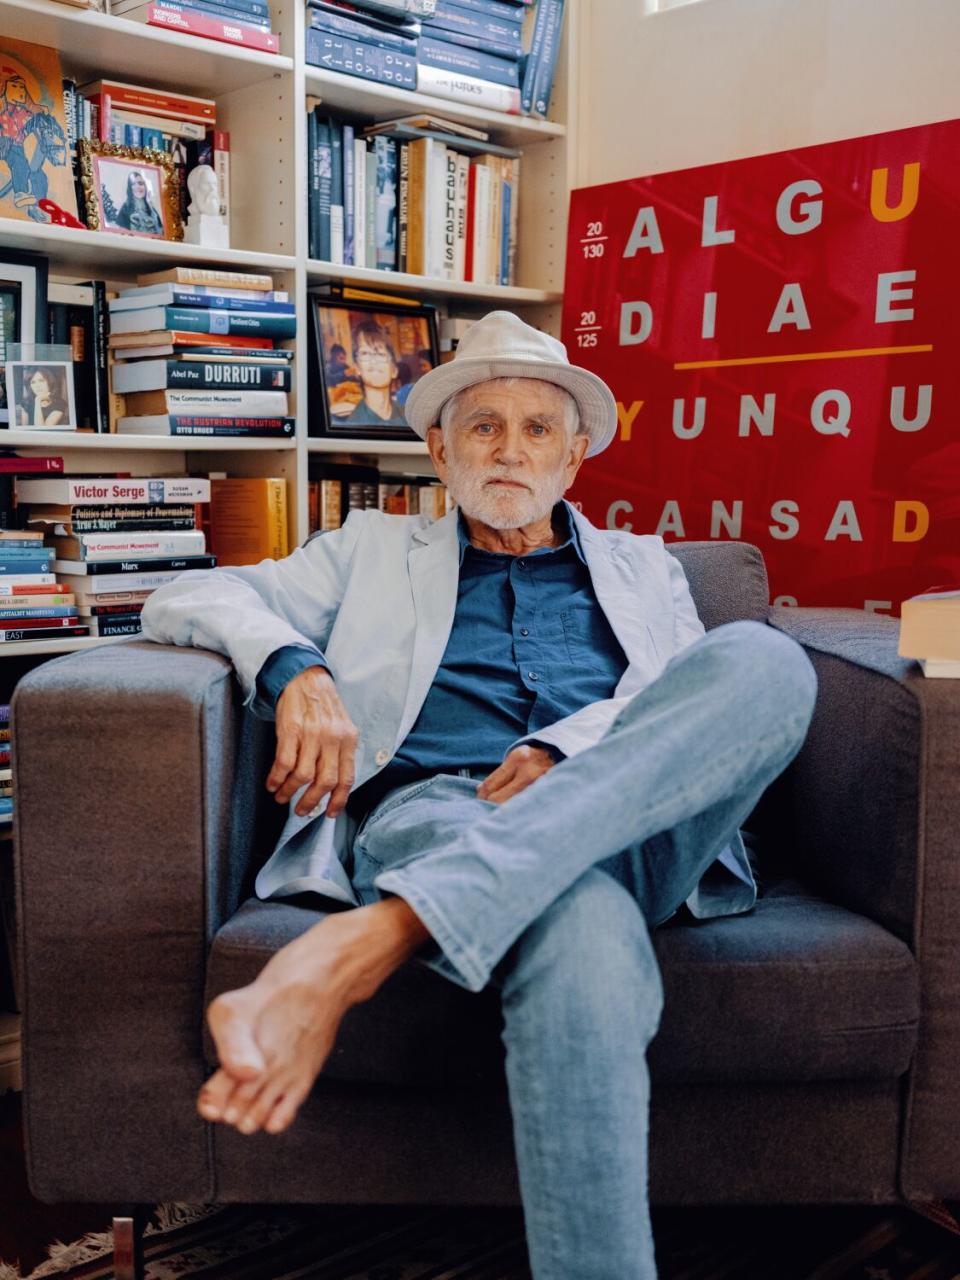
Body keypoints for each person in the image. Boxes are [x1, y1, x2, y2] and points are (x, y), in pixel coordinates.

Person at [139, 310, 818, 1279]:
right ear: (438, 448)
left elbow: (676, 698)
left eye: (538, 427)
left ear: (576, 454)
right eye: (482, 425)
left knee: (764, 658)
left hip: (633, 811)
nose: (509, 448)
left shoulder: (643, 563)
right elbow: (187, 596)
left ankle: (367, 939)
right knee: (579, 918)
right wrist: (297, 667)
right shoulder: (368, 548)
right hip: (437, 811)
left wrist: (562, 749)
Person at [341, 319, 404, 425]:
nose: (374, 361)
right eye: (365, 353)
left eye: (380, 354)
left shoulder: (410, 419)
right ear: (357, 368)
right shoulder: (354, 424)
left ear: (394, 370)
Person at [114, 169, 164, 235]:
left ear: (145, 187)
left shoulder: (152, 210)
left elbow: (161, 233)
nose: (137, 187)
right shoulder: (125, 208)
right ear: (130, 188)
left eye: (140, 183)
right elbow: (122, 234)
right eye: (133, 184)